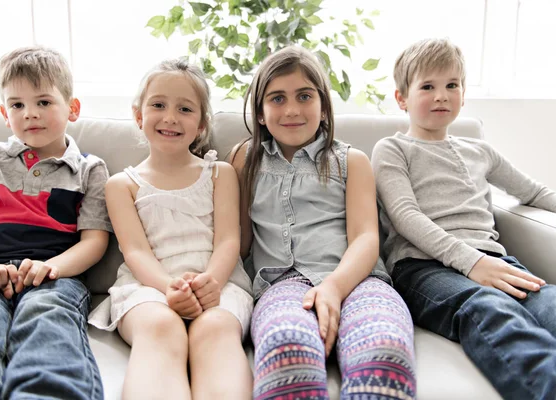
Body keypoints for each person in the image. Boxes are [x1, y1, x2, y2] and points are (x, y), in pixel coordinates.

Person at [371, 37, 556, 399]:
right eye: (428, 86)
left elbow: (534, 192)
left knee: (550, 303)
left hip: (495, 260)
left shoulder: (480, 151)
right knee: (490, 308)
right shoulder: (392, 149)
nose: (442, 95)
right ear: (401, 98)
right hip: (424, 269)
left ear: (464, 93)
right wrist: (472, 263)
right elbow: (406, 216)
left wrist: (485, 262)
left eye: (452, 85)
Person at [230, 45, 416, 400]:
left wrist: (333, 287)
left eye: (304, 96)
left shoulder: (352, 161)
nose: (292, 110)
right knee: (287, 348)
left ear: (324, 105)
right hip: (280, 285)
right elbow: (237, 240)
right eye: (277, 98)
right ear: (260, 112)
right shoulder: (244, 159)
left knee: (385, 347)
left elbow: (365, 238)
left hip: (359, 281)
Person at [88, 58, 254, 400]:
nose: (170, 117)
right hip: (147, 288)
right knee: (161, 327)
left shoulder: (220, 173)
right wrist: (168, 288)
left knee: (216, 329)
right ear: (138, 115)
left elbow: (228, 239)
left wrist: (212, 282)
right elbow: (135, 251)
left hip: (217, 282)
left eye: (185, 109)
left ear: (202, 124)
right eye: (158, 105)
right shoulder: (122, 184)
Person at [0, 46, 111, 399]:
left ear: (73, 109)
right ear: (4, 113)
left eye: (43, 102)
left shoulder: (90, 169)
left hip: (55, 275)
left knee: (47, 316)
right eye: (17, 105)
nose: (30, 114)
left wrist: (49, 268)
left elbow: (95, 241)